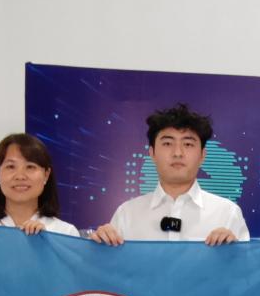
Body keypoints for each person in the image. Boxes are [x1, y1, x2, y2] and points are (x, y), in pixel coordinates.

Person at [89, 104, 248, 246]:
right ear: (152, 153)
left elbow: (246, 268)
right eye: (167, 143)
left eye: (188, 144)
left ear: (202, 155)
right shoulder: (127, 214)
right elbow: (111, 268)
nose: (177, 153)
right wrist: (101, 246)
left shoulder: (227, 214)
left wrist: (233, 253)